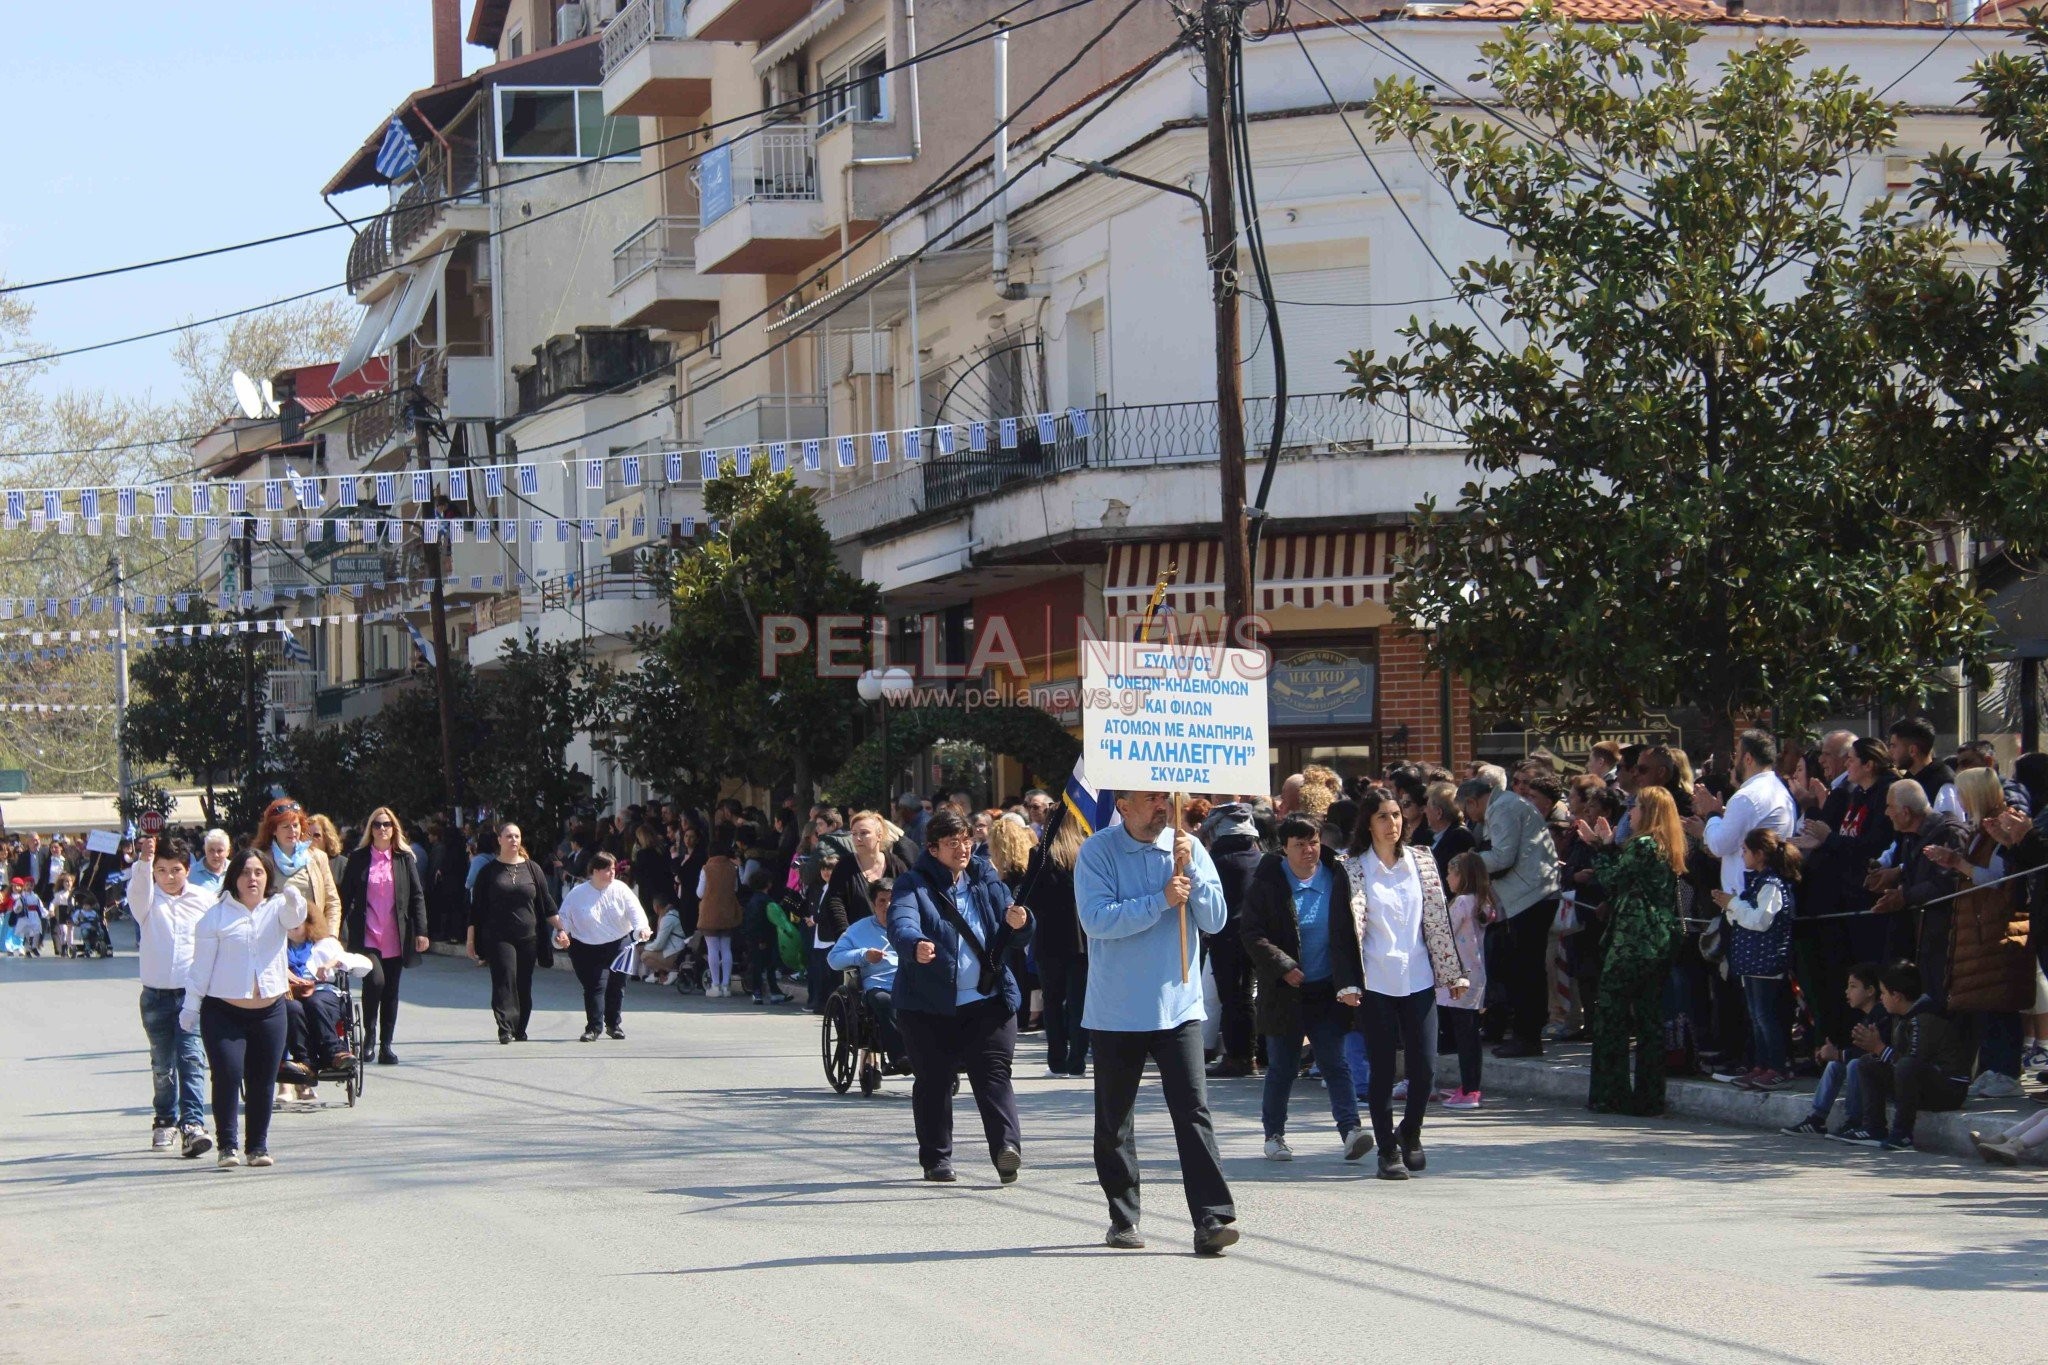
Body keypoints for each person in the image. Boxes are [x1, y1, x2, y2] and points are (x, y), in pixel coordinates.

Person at [1075, 790, 1236, 1256]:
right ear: (1123, 805)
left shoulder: (1188, 845)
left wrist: (1194, 880)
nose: (1162, 808)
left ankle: (1211, 1218)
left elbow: (1217, 920)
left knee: (1193, 1113)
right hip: (1117, 1010)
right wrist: (1160, 899)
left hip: (1178, 1007)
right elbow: (1096, 921)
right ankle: (1124, 1219)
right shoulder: (1098, 851)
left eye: (1166, 799)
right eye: (1150, 800)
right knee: (1114, 1119)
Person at [887, 808, 1032, 1185]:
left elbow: (1012, 926)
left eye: (967, 840)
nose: (963, 849)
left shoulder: (985, 878)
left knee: (994, 1075)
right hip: (928, 1006)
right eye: (953, 843)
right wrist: (915, 943)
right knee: (934, 1080)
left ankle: (1006, 1150)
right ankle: (937, 1159)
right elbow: (900, 922)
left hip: (988, 1000)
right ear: (933, 849)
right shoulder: (913, 885)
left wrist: (1022, 922)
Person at [1344, 787, 1468, 1180]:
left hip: (1419, 977)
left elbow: (1436, 921)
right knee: (1382, 1070)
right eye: (1382, 816)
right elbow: (1345, 931)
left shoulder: (1422, 861)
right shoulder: (1353, 868)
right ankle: (1386, 1150)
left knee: (1425, 1067)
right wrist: (1347, 982)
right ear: (1368, 822)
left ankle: (1410, 1132)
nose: (1392, 823)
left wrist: (1452, 973)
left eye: (1397, 815)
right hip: (1376, 980)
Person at [1240, 814, 1370, 1163]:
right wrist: (1282, 966)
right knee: (1282, 1066)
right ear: (1285, 849)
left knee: (1334, 1061)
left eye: (1313, 842)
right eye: (1300, 845)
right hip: (1285, 992)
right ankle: (1275, 1136)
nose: (1309, 850)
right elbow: (1252, 933)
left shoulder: (1337, 876)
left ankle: (1351, 1131)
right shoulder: (1268, 882)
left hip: (1328, 989)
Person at [180, 850, 308, 1169]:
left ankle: (257, 1147)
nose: (252, 878)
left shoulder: (278, 908)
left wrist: (295, 901)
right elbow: (201, 967)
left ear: (268, 878)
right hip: (224, 1011)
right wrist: (190, 1007)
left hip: (270, 1011)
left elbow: (295, 921)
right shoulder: (216, 915)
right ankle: (228, 1146)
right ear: (234, 878)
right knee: (227, 1074)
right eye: (245, 873)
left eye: (259, 873)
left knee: (262, 1079)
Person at [1576, 787, 1685, 1115]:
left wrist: (1599, 847)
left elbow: (1612, 879)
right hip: (1658, 940)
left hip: (1631, 942)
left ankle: (1611, 1093)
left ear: (1648, 811)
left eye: (1634, 807)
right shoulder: (1667, 846)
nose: (1630, 814)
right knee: (1649, 1020)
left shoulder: (1643, 845)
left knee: (1611, 1017)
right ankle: (1650, 1096)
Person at [1458, 774, 1560, 1056]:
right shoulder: (1505, 805)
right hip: (1529, 895)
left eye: (1467, 810)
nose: (1469, 818)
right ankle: (1523, 1033)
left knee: (1525, 969)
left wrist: (1468, 862)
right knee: (1520, 967)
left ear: (1472, 801)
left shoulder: (1502, 807)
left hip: (1531, 897)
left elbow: (1502, 857)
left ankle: (1527, 1037)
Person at [129, 834, 214, 1159]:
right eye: (162, 870)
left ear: (187, 869)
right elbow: (138, 888)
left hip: (190, 995)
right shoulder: (147, 900)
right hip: (155, 997)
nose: (168, 877)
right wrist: (145, 860)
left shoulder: (204, 900)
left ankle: (192, 1125)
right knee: (163, 1065)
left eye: (175, 870)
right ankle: (164, 1118)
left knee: (191, 1059)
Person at [1842, 961, 1972, 1152]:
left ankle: (1902, 1135)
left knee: (1905, 1066)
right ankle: (1873, 1127)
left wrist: (1879, 1048)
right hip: (1923, 1083)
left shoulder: (1925, 1018)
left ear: (1897, 996)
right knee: (1867, 1063)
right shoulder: (1900, 1017)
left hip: (1949, 1089)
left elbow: (1912, 1062)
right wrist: (1876, 1050)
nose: (1882, 998)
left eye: (1884, 993)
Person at [337, 806, 430, 1066]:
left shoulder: (403, 858)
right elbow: (344, 897)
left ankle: (386, 1045)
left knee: (391, 990)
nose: (382, 829)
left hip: (395, 934)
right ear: (370, 829)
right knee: (374, 981)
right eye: (377, 824)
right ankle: (369, 1038)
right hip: (366, 935)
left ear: (394, 829)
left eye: (387, 824)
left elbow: (416, 896)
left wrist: (421, 931)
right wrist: (334, 931)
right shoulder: (359, 858)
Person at [1714, 828, 1801, 1091]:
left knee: (1766, 1017)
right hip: (1752, 964)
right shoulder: (1757, 882)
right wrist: (1729, 905)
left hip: (1766, 962)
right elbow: (1743, 915)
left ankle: (1778, 1068)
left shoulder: (1772, 885)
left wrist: (1734, 904)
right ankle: (1761, 1066)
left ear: (1760, 854)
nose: (1742, 855)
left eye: (1745, 851)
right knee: (1756, 1016)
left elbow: (1760, 920)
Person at [465, 823, 559, 1044]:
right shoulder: (488, 872)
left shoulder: (532, 869)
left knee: (523, 983)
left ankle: (520, 1027)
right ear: (499, 840)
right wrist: (471, 940)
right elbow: (476, 910)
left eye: (517, 836)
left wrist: (563, 929)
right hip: (498, 937)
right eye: (508, 836)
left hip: (528, 936)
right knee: (504, 979)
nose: (513, 840)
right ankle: (505, 1027)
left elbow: (547, 905)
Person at [1019, 811, 1090, 1078]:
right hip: (1082, 936)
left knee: (1052, 1001)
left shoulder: (1040, 853)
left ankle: (1057, 1060)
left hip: (1049, 937)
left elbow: (1030, 894)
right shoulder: (1085, 851)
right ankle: (1078, 1061)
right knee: (1078, 1002)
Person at [554, 851, 652, 1041]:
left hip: (619, 943)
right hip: (586, 946)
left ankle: (613, 1025)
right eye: (607, 869)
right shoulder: (577, 894)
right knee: (595, 986)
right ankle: (593, 1028)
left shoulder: (621, 889)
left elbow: (636, 911)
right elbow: (564, 919)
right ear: (594, 871)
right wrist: (561, 935)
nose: (612, 873)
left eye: (613, 869)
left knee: (617, 985)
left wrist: (642, 928)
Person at [1782, 963, 1888, 1138]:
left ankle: (1854, 1121)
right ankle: (1817, 1118)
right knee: (1834, 1065)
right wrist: (1835, 1055)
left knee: (1854, 1064)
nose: (1847, 992)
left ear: (1870, 991)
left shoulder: (1883, 1015)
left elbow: (1871, 1053)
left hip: (1885, 1075)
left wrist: (1839, 1054)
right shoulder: (1866, 1017)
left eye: (1853, 986)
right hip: (1873, 1071)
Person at [1438, 851, 1497, 1109]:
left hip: (1459, 977)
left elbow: (1443, 930)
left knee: (1465, 1035)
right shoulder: (1482, 901)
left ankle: (1471, 1089)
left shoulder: (1462, 902)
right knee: (1469, 1033)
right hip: (1475, 974)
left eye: (1451, 873)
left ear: (1462, 876)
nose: (1447, 878)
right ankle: (1469, 1084)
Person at [827, 877, 903, 1059]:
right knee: (884, 1001)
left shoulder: (913, 925)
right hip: (880, 985)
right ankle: (900, 1056)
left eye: (893, 900)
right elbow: (833, 959)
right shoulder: (858, 929)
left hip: (912, 982)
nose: (888, 905)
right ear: (873, 903)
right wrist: (863, 955)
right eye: (882, 901)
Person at [256, 798, 341, 942]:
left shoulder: (318, 857)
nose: (292, 831)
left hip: (314, 940)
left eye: (295, 825)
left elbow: (332, 901)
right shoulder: (261, 861)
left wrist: (331, 937)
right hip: (276, 941)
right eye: (285, 826)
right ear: (273, 830)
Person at [695, 834, 742, 999]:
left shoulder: (706, 869)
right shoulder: (732, 868)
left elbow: (700, 893)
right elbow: (735, 889)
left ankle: (715, 985)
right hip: (728, 911)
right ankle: (726, 985)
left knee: (712, 949)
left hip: (709, 912)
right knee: (726, 948)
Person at [1887, 716, 1954, 810]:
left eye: (1894, 746)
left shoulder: (1944, 785)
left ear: (1912, 750)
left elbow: (1952, 823)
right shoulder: (1908, 779)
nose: (1890, 752)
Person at [189, 829, 232, 894]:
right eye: (211, 850)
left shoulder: (236, 870)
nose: (215, 855)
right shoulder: (191, 873)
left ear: (228, 852)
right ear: (205, 850)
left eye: (220, 851)